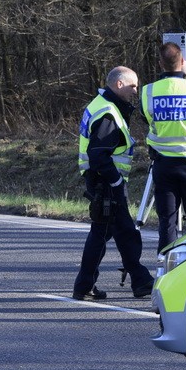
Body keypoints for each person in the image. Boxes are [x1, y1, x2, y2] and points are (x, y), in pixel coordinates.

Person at [73, 66, 155, 300]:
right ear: (119, 84)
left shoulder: (101, 104)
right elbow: (99, 154)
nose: (135, 91)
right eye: (133, 86)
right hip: (106, 183)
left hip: (101, 182)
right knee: (116, 233)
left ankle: (86, 285)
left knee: (112, 232)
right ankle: (140, 280)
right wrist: (117, 181)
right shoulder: (108, 113)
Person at [139, 42, 186, 253]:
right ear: (182, 62)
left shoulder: (148, 92)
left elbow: (146, 118)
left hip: (163, 165)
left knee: (167, 222)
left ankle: (166, 270)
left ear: (160, 63)